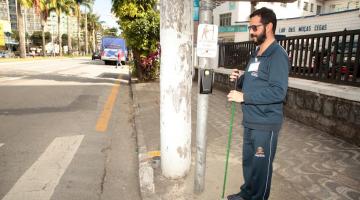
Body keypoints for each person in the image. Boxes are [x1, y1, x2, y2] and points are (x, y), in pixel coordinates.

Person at [226, 7, 289, 200]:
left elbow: (279, 92)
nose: (251, 31)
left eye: (254, 27)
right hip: (250, 121)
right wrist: (239, 79)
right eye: (249, 27)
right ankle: (246, 195)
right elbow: (253, 79)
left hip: (265, 123)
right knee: (249, 164)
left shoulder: (278, 55)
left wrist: (244, 97)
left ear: (268, 27)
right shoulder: (256, 53)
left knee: (261, 169)